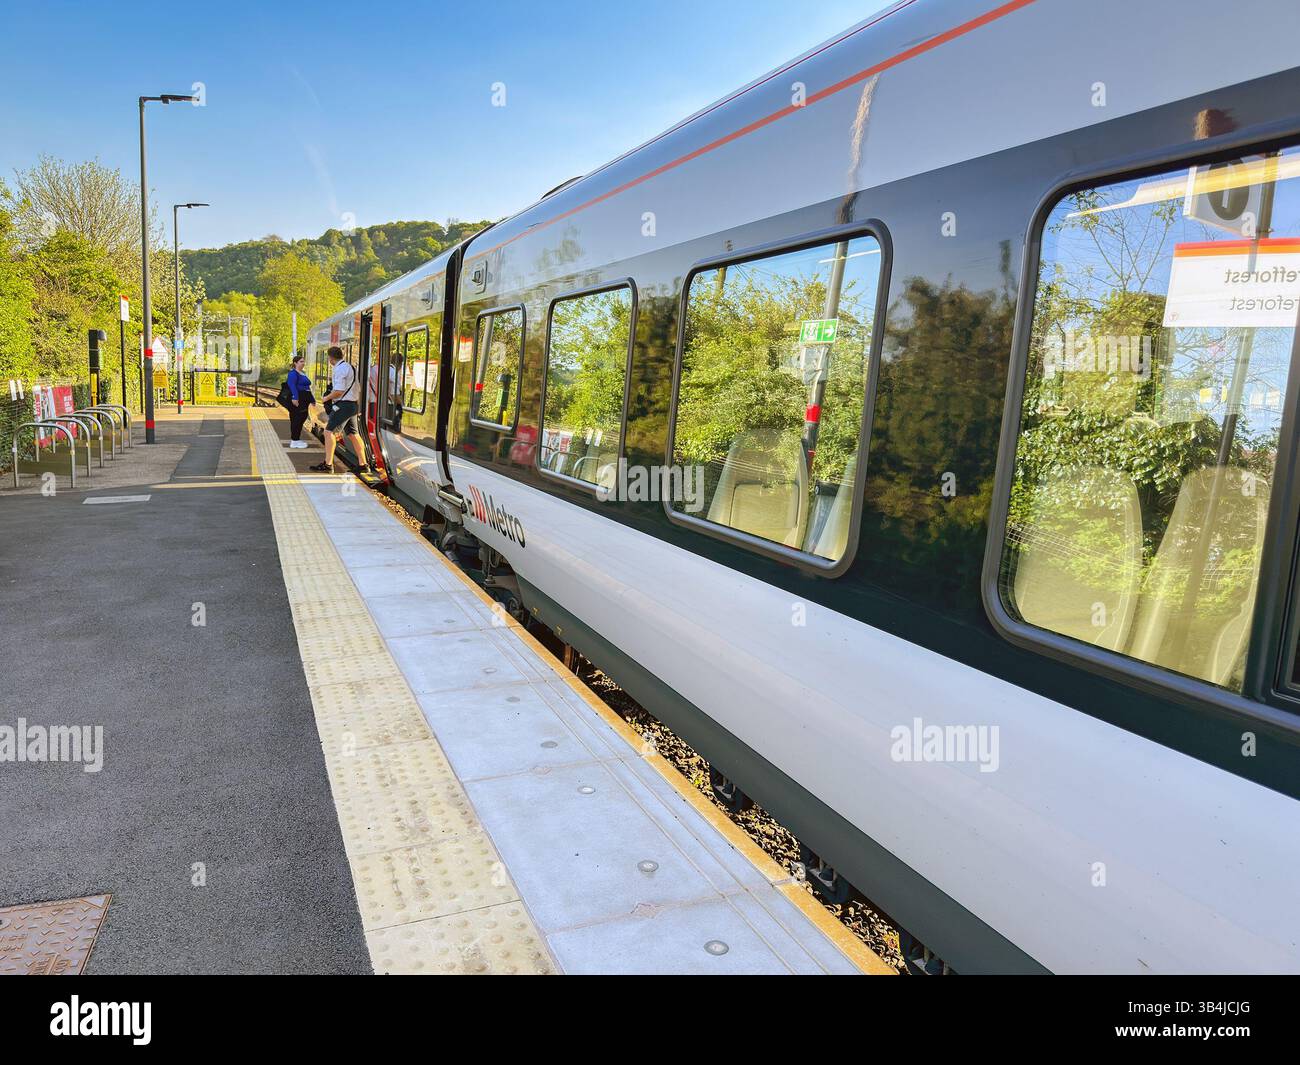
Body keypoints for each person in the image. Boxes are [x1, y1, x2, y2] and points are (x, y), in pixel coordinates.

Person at [310, 346, 370, 474]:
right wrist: (356, 406)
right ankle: (363, 464)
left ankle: (328, 464)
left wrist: (326, 398)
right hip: (352, 405)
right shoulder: (350, 367)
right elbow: (357, 389)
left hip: (343, 405)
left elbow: (339, 391)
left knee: (328, 432)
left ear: (330, 358)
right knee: (353, 434)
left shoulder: (339, 369)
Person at [286, 354, 314, 448]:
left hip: (304, 399)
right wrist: (295, 397)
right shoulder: (293, 373)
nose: (303, 363)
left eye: (303, 361)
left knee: (302, 417)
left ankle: (296, 439)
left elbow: (307, 387)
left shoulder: (302, 373)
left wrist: (312, 399)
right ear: (295, 363)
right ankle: (294, 440)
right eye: (301, 361)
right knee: (296, 418)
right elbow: (292, 385)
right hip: (299, 399)